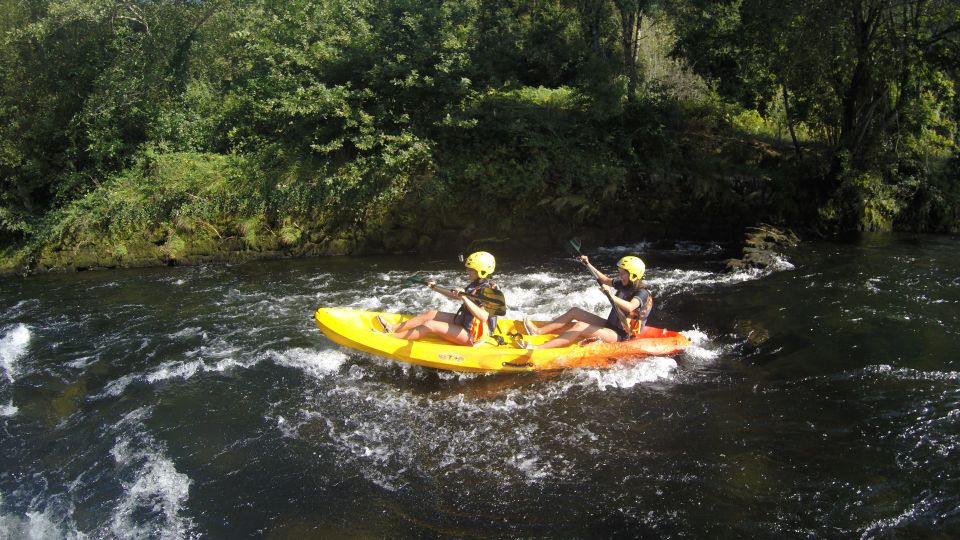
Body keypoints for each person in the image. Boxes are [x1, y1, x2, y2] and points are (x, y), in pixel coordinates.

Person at [520, 255, 652, 350]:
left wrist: (609, 294)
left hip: (621, 335)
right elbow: (605, 280)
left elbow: (630, 307)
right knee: (575, 311)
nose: (619, 276)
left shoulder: (642, 293)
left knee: (579, 326)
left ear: (633, 275)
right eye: (620, 273)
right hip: (610, 325)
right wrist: (588, 264)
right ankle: (538, 331)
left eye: (622, 273)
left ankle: (538, 348)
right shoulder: (624, 283)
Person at [377, 251, 501, 346]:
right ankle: (392, 328)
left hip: (474, 335)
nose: (467, 270)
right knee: (430, 314)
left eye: (470, 268)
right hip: (465, 321)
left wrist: (464, 298)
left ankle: (392, 339)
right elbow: (455, 295)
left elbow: (483, 317)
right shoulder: (476, 283)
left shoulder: (490, 290)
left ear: (481, 271)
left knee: (430, 325)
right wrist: (434, 287)